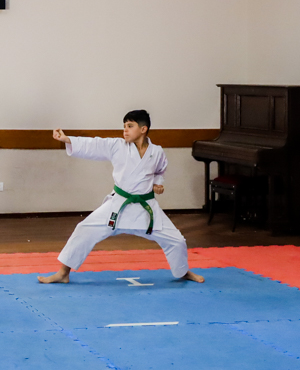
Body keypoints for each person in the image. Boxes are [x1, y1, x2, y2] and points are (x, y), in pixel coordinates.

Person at [38, 110, 204, 285]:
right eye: (124, 126)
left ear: (143, 129)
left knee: (177, 240)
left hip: (146, 207)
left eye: (130, 126)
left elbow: (159, 171)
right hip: (118, 206)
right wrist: (67, 139)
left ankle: (183, 272)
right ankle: (63, 273)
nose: (125, 130)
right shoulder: (117, 146)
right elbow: (94, 144)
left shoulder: (157, 152)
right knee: (83, 229)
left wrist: (157, 183)